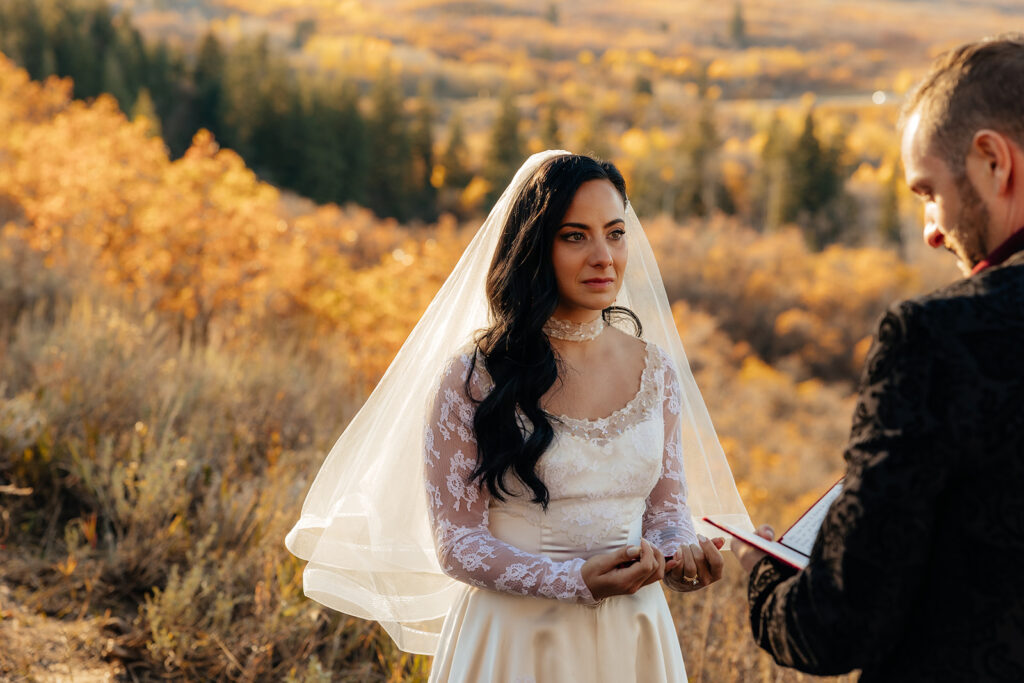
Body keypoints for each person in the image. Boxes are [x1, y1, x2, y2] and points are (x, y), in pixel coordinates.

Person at [285, 151, 751, 681]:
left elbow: (667, 510)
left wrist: (679, 558)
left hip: (635, 634)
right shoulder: (473, 376)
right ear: (534, 246)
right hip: (517, 641)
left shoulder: (656, 370)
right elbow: (458, 541)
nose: (604, 256)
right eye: (575, 236)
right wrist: (574, 580)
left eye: (615, 233)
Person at [736, 35, 1024, 682]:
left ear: (993, 162)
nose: (930, 228)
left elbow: (840, 623)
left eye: (929, 191)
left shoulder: (936, 337)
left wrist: (767, 586)